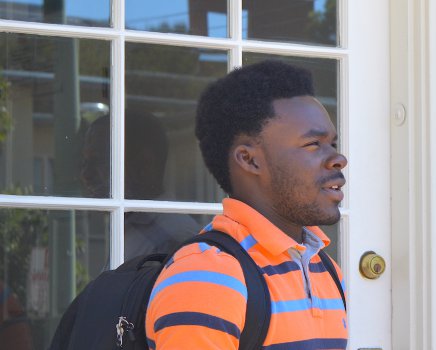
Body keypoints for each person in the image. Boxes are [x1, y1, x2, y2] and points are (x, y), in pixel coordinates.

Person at [145, 60, 348, 349]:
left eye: (333, 143)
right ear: (250, 159)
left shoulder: (322, 266)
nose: (339, 159)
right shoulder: (208, 277)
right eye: (313, 144)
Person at [80, 111, 200, 261]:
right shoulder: (129, 226)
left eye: (99, 160)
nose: (86, 174)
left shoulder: (174, 237)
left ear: (145, 164)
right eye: (85, 162)